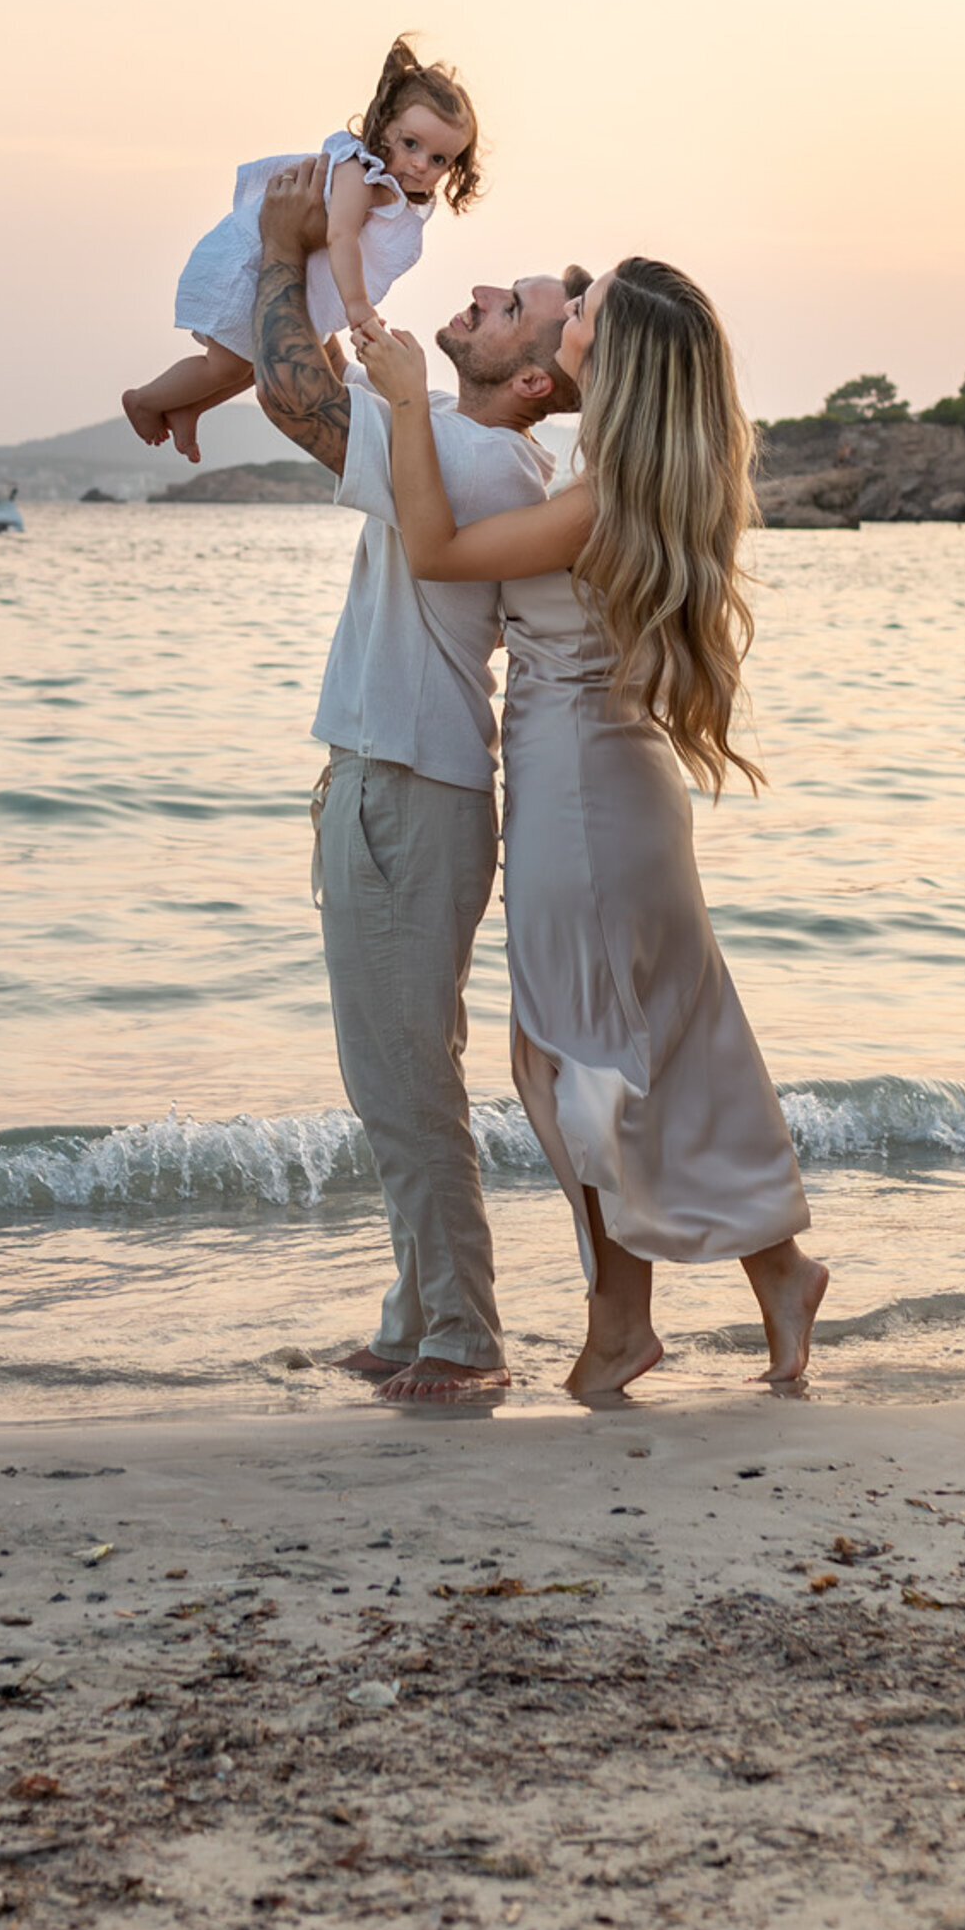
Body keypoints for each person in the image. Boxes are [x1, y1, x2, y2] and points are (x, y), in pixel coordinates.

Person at [352, 259, 827, 1400]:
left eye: (586, 308)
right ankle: (778, 1270)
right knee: (669, 1049)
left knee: (580, 1064)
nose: (566, 305)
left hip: (580, 797)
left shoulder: (601, 496)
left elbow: (436, 553)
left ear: (612, 360)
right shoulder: (635, 481)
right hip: (615, 793)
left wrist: (410, 398)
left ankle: (620, 1324)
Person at [248, 156, 583, 1401]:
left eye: (511, 305)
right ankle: (415, 1309)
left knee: (400, 1077)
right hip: (397, 779)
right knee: (396, 1059)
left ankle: (462, 1332)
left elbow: (292, 398)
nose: (483, 288)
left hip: (407, 783)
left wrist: (288, 251)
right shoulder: (440, 436)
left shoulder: (486, 462)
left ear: (533, 376)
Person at [122, 38, 482, 462]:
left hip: (289, 273)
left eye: (440, 159)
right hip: (253, 268)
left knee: (260, 363)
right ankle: (144, 400)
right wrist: (357, 307)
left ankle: (189, 407)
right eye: (411, 145)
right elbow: (341, 236)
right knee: (225, 366)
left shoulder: (396, 193)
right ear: (384, 127)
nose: (423, 164)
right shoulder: (358, 168)